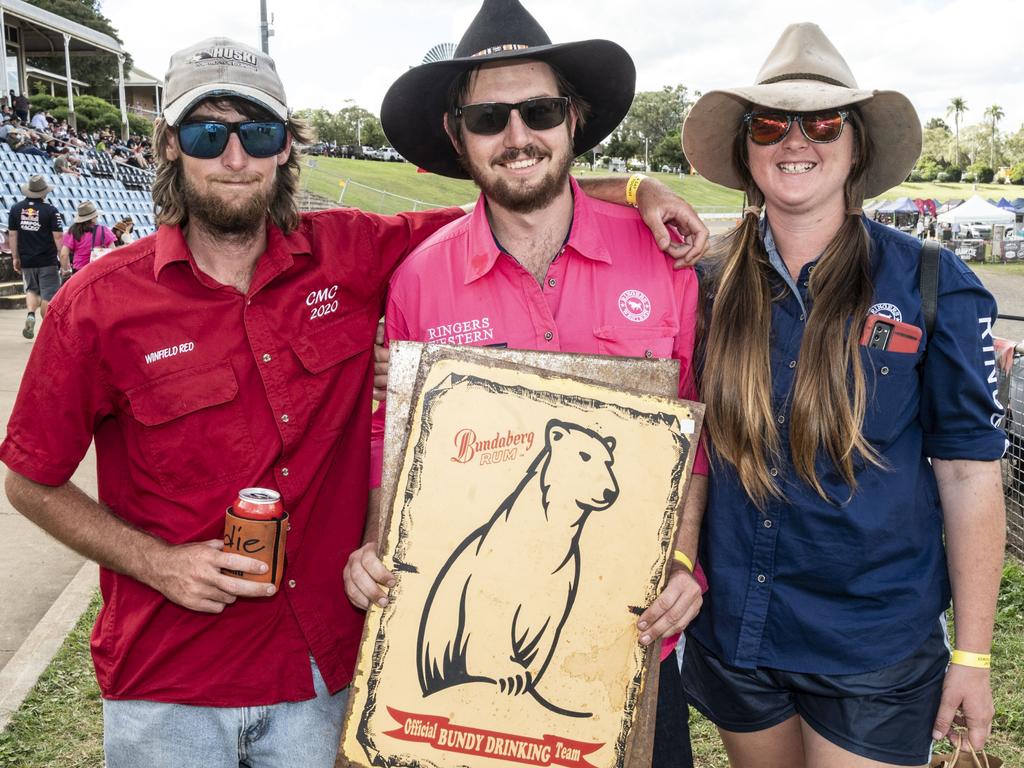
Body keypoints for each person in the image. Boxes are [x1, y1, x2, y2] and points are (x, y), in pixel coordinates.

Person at [0, 36, 706, 768]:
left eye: (259, 133)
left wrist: (635, 191)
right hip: (169, 683)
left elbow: (519, 193)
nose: (235, 158)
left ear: (285, 148)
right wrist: (157, 563)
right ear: (171, 146)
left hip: (319, 676)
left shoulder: (353, 252)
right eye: (209, 134)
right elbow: (29, 479)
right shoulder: (96, 304)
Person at [347, 2, 708, 766]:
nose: (517, 137)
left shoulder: (660, 259)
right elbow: (395, 437)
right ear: (457, 135)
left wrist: (680, 561)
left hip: (629, 633)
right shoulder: (419, 278)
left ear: (572, 119)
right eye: (488, 118)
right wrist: (377, 545)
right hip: (478, 676)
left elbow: (691, 437)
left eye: (538, 110)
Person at [679, 23, 1005, 767]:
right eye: (770, 124)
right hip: (737, 632)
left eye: (823, 122)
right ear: (747, 150)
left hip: (873, 647)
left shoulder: (931, 281)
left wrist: (976, 658)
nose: (796, 141)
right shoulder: (700, 282)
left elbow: (968, 473)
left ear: (855, 145)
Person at [8, 174, 64, 339]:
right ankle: (47, 330)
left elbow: (12, 235)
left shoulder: (16, 209)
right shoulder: (51, 210)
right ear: (44, 192)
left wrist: (15, 257)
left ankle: (31, 315)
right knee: (48, 294)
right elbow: (58, 237)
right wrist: (62, 258)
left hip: (27, 259)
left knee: (31, 289)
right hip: (47, 259)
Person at [60, 200, 116, 276]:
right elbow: (113, 251)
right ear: (92, 218)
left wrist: (65, 269)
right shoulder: (104, 230)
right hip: (98, 271)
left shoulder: (72, 231)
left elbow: (63, 254)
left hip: (79, 271)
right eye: (96, 216)